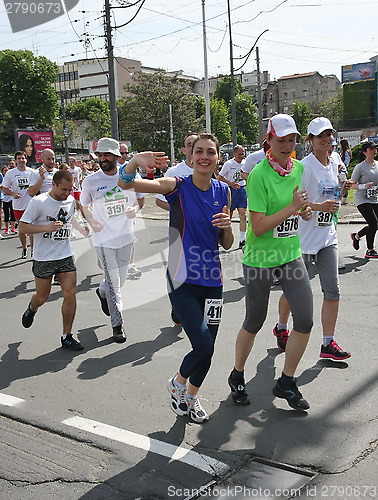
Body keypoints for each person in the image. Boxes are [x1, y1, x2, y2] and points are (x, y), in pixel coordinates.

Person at [118, 133, 234, 423]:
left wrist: (228, 226)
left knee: (208, 351)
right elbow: (126, 183)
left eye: (210, 152)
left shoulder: (224, 192)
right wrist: (134, 161)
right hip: (181, 279)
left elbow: (227, 243)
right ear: (190, 156)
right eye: (199, 151)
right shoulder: (176, 186)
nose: (204, 156)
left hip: (213, 280)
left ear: (218, 158)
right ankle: (178, 383)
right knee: (203, 345)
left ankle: (191, 398)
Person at [227, 114, 313, 411]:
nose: (288, 146)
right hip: (260, 259)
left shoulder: (299, 168)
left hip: (290, 254)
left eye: (292, 140)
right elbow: (260, 226)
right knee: (254, 321)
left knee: (304, 320)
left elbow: (297, 204)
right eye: (281, 140)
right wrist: (293, 207)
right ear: (269, 141)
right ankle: (237, 374)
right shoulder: (259, 175)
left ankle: (286, 382)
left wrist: (303, 212)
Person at [274, 117, 352, 363]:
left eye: (329, 134)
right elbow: (292, 202)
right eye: (321, 136)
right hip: (303, 240)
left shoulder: (336, 161)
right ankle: (280, 326)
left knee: (333, 291)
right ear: (310, 140)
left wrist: (344, 186)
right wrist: (318, 206)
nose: (327, 140)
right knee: (294, 291)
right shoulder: (302, 167)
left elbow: (336, 191)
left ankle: (328, 342)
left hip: (327, 236)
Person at [81, 138, 145, 343]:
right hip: (103, 239)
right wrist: (91, 221)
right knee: (115, 285)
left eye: (106, 155)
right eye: (99, 155)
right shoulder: (91, 181)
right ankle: (117, 326)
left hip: (126, 237)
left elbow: (141, 199)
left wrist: (134, 210)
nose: (102, 159)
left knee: (119, 281)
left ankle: (101, 291)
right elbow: (83, 206)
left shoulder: (130, 177)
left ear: (117, 156)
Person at [19, 170, 89, 350]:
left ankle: (67, 336)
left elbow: (69, 216)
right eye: (64, 189)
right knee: (43, 296)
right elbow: (23, 227)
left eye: (70, 189)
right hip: (43, 258)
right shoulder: (39, 202)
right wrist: (45, 227)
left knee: (70, 293)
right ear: (54, 185)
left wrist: (80, 228)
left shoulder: (71, 200)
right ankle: (32, 308)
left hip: (64, 254)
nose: (67, 193)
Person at [155, 132, 198, 325]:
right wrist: (180, 209)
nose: (192, 147)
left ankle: (192, 307)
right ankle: (177, 306)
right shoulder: (174, 172)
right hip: (178, 232)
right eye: (189, 144)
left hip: (201, 233)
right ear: (183, 149)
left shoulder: (206, 170)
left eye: (195, 144)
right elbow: (159, 200)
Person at [117, 142, 145, 279]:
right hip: (109, 218)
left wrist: (135, 209)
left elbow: (140, 197)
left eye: (126, 153)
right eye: (121, 153)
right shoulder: (106, 172)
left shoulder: (132, 170)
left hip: (128, 215)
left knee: (129, 239)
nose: (124, 156)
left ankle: (130, 265)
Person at [2, 151, 35, 258]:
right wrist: (13, 194)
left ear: (26, 159)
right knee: (22, 230)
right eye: (19, 158)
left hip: (31, 204)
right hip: (18, 205)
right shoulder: (10, 173)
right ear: (16, 160)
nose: (21, 160)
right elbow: (4, 188)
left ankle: (33, 250)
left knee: (32, 229)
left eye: (23, 158)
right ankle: (24, 248)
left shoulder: (32, 172)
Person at [350, 141, 378, 258]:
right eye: (371, 149)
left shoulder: (377, 164)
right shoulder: (360, 167)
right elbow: (351, 184)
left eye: (375, 148)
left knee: (376, 224)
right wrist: (363, 186)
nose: (374, 150)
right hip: (362, 199)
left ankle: (357, 236)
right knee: (373, 223)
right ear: (365, 152)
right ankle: (370, 250)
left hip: (374, 198)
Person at [217, 145, 247, 250]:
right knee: (228, 216)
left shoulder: (245, 163)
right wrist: (230, 183)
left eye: (243, 153)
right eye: (239, 154)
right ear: (234, 154)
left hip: (242, 189)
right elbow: (219, 177)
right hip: (231, 190)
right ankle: (223, 237)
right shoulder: (228, 164)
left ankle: (242, 240)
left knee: (243, 215)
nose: (241, 156)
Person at [1, 166, 16, 235]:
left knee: (12, 213)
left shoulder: (11, 178)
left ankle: (13, 228)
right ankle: (7, 228)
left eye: (7, 170)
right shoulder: (3, 179)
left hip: (11, 198)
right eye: (5, 171)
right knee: (6, 213)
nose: (6, 172)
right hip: (5, 198)